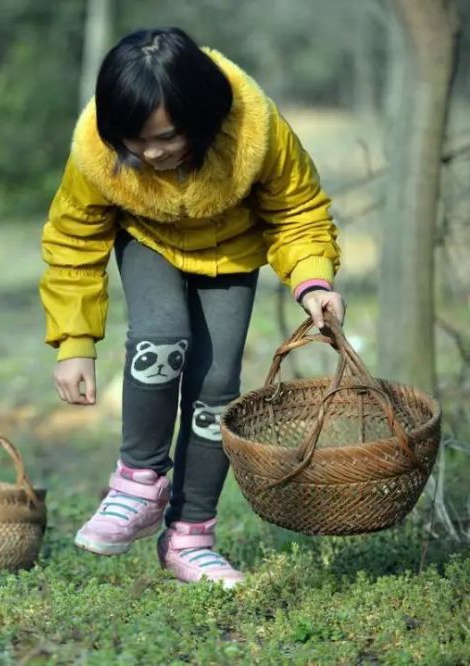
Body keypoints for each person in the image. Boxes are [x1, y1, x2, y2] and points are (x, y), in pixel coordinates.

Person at [39, 27, 345, 587]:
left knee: (217, 387)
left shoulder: (255, 131)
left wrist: (313, 282)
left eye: (166, 138)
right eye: (135, 141)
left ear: (201, 116)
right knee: (161, 338)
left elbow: (298, 210)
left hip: (230, 254)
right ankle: (137, 485)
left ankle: (190, 536)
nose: (150, 153)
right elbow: (74, 241)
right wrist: (75, 343)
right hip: (150, 242)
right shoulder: (98, 153)